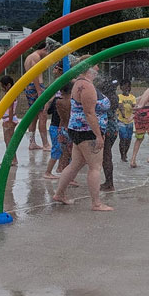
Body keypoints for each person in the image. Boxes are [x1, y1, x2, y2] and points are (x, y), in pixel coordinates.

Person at [53, 59, 113, 211]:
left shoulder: (79, 82)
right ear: (88, 68)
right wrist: (98, 136)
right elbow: (89, 113)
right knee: (95, 167)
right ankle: (96, 203)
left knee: (75, 165)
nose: (98, 68)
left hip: (78, 130)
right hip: (88, 132)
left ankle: (59, 194)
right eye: (95, 64)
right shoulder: (85, 85)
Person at [43, 83, 72, 180]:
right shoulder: (70, 102)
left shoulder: (56, 100)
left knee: (62, 150)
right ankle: (48, 172)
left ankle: (60, 169)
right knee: (57, 150)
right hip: (57, 128)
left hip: (54, 127)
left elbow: (49, 111)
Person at [23, 45, 50, 151]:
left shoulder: (29, 57)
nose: (48, 56)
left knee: (33, 116)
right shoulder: (36, 57)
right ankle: (46, 144)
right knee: (42, 115)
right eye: (47, 53)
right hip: (36, 87)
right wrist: (39, 90)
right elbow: (35, 73)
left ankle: (32, 142)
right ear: (44, 49)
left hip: (30, 87)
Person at [99, 77, 120, 191]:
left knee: (106, 156)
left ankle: (109, 183)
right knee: (106, 155)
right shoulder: (114, 97)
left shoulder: (107, 99)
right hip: (113, 128)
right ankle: (108, 182)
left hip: (107, 128)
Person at [0, 74, 20, 167]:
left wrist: (10, 122)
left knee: (8, 141)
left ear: (8, 85)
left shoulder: (11, 94)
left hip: (9, 119)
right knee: (8, 141)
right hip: (8, 119)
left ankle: (12, 160)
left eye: (3, 86)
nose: (2, 88)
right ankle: (13, 159)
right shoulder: (12, 92)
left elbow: (10, 108)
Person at [117, 80, 137, 162]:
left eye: (128, 86)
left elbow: (134, 107)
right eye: (124, 86)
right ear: (121, 87)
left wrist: (134, 113)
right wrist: (124, 115)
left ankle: (125, 153)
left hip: (130, 122)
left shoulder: (132, 97)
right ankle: (122, 155)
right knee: (123, 138)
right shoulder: (119, 96)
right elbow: (120, 106)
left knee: (129, 139)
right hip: (121, 121)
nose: (127, 88)